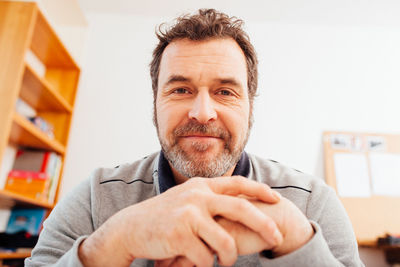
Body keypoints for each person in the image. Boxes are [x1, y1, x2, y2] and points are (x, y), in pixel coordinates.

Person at [25, 9, 364, 267]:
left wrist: (299, 243)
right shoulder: (95, 199)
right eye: (181, 89)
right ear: (155, 102)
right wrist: (114, 242)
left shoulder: (312, 205)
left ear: (250, 104)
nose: (202, 113)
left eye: (225, 91)